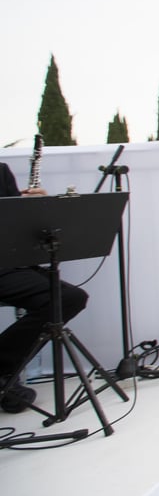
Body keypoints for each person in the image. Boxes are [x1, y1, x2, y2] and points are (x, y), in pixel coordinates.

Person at [0, 162, 90, 413]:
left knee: (69, 298)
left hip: (7, 266)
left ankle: (4, 368)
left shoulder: (0, 171)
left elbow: (17, 229)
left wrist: (38, 208)